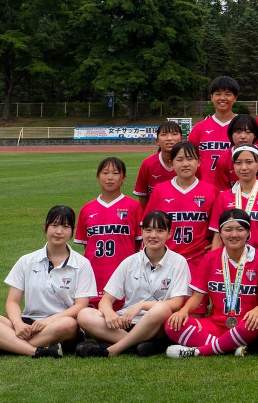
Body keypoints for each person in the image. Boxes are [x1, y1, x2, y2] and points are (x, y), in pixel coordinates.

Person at [0, 205, 95, 357]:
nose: (59, 231)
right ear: (45, 227)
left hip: (60, 323)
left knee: (68, 324)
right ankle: (35, 351)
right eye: (54, 225)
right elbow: (12, 301)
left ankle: (5, 346)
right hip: (28, 323)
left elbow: (81, 306)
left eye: (65, 226)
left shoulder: (81, 264)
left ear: (73, 229)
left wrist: (48, 321)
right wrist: (18, 324)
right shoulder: (27, 260)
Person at [75, 209, 190, 357]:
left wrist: (141, 306)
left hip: (157, 324)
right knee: (84, 314)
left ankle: (113, 349)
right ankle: (138, 346)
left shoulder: (178, 262)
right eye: (148, 230)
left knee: (162, 309)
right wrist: (109, 313)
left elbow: (176, 303)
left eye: (160, 231)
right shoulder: (130, 261)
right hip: (126, 323)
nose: (153, 236)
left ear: (169, 234)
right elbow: (106, 300)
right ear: (141, 232)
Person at [165, 208, 258, 358]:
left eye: (240, 229)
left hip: (245, 324)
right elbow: (197, 297)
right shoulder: (210, 258)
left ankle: (199, 351)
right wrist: (183, 311)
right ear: (220, 233)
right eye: (228, 229)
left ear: (249, 232)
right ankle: (229, 346)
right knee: (171, 324)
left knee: (250, 326)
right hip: (216, 324)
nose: (234, 234)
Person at [208, 144, 258, 273]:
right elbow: (217, 235)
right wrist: (214, 266)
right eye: (238, 163)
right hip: (230, 263)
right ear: (233, 166)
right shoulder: (223, 197)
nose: (244, 167)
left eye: (249, 162)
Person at [74, 156, 141, 302]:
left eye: (115, 173)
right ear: (98, 176)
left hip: (125, 274)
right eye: (105, 173)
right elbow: (87, 246)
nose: (110, 177)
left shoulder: (134, 207)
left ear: (123, 177)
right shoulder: (87, 209)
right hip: (95, 274)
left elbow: (138, 245)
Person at [144, 141, 216, 262]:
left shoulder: (211, 191)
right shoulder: (159, 190)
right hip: (165, 258)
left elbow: (217, 229)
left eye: (190, 159)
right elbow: (148, 225)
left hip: (198, 259)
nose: (185, 164)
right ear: (171, 163)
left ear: (198, 162)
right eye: (180, 159)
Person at [187, 76, 241, 187]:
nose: (222, 98)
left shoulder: (244, 128)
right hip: (204, 190)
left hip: (235, 191)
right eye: (218, 94)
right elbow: (188, 160)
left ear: (235, 97)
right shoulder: (199, 129)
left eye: (228, 94)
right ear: (211, 97)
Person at [133, 121, 182, 202]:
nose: (169, 138)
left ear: (181, 139)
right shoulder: (148, 164)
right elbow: (142, 196)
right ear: (157, 141)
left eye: (174, 134)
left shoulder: (188, 164)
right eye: (164, 134)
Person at [221, 115, 258, 186]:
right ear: (231, 134)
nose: (243, 136)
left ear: (255, 135)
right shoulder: (223, 160)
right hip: (232, 197)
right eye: (238, 132)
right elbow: (222, 192)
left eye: (248, 132)